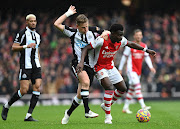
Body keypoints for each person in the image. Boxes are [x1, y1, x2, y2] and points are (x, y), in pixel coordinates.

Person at [76, 24, 156, 124]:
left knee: (123, 88)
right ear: (112, 34)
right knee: (109, 87)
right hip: (99, 67)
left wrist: (146, 50)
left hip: (110, 66)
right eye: (118, 35)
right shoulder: (102, 40)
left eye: (122, 35)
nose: (120, 37)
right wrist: (81, 62)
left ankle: (106, 105)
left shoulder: (120, 40)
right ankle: (108, 116)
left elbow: (131, 44)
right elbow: (86, 48)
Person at [54, 5, 107, 124]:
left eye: (87, 26)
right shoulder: (72, 32)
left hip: (91, 66)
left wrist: (104, 35)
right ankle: (87, 111)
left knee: (79, 97)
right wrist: (68, 13)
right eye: (83, 28)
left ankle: (67, 113)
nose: (86, 29)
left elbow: (107, 32)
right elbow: (56, 24)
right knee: (86, 82)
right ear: (77, 26)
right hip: (78, 64)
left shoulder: (93, 30)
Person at [1, 14, 42, 121]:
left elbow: (37, 50)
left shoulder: (38, 36)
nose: (33, 23)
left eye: (35, 21)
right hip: (26, 65)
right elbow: (13, 47)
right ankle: (7, 106)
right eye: (31, 21)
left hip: (36, 66)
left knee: (37, 87)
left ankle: (28, 115)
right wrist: (25, 46)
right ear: (27, 22)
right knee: (24, 90)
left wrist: (38, 60)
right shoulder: (22, 33)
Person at [118, 29, 156, 114]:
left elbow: (146, 57)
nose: (138, 36)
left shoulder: (144, 46)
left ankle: (125, 107)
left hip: (138, 71)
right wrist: (120, 68)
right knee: (137, 85)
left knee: (132, 89)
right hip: (131, 70)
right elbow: (124, 57)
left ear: (142, 36)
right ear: (134, 36)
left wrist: (151, 67)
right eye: (137, 35)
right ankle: (143, 105)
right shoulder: (130, 45)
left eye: (140, 35)